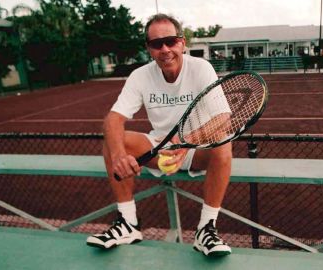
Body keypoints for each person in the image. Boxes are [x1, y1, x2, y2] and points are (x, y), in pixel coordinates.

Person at [85, 13, 233, 257]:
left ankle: (206, 229)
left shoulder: (201, 68)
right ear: (149, 49)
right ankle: (128, 223)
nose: (165, 49)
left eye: (171, 41)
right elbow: (113, 119)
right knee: (113, 143)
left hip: (196, 148)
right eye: (156, 44)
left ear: (182, 43)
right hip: (159, 147)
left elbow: (223, 118)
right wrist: (120, 155)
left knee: (224, 144)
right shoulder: (140, 76)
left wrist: (186, 142)